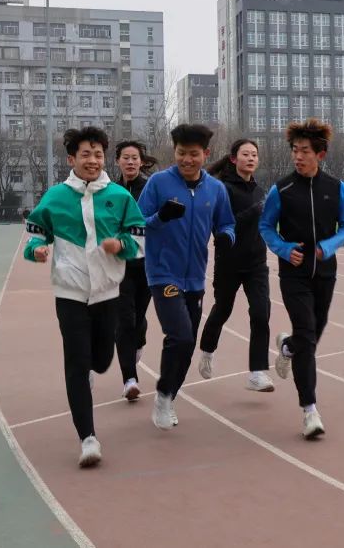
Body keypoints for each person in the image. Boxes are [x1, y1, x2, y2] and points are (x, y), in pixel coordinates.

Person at [23, 127, 145, 468]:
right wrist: (37, 250)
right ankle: (88, 438)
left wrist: (121, 245)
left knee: (102, 360)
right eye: (86, 155)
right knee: (76, 364)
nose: (93, 160)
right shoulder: (55, 197)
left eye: (98, 155)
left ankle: (95, 366)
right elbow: (34, 236)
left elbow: (139, 238)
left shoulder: (120, 196)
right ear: (71, 159)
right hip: (70, 292)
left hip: (108, 292)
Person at [259, 118, 344, 439]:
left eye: (305, 151)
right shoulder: (281, 189)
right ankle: (309, 410)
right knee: (307, 336)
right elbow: (266, 227)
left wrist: (328, 246)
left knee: (312, 334)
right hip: (294, 275)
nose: (298, 156)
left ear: (320, 155)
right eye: (295, 150)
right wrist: (285, 249)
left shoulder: (337, 188)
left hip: (325, 273)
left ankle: (288, 347)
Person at [138, 124, 235, 430]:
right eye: (181, 153)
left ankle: (169, 395)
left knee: (188, 342)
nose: (187, 160)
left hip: (195, 277)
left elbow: (226, 223)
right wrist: (160, 217)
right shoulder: (158, 183)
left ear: (206, 154)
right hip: (162, 273)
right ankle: (163, 396)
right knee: (179, 336)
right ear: (175, 152)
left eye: (193, 154)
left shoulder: (215, 189)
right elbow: (136, 224)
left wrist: (226, 236)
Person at [197, 139, 273, 392]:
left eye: (254, 154)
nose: (251, 158)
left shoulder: (260, 191)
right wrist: (254, 211)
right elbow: (221, 227)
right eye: (245, 154)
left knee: (261, 313)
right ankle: (207, 350)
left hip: (257, 263)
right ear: (233, 159)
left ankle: (257, 373)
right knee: (223, 309)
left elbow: (264, 223)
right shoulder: (222, 190)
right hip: (229, 261)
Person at [114, 140, 157, 402]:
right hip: (119, 265)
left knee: (138, 319)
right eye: (125, 158)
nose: (130, 162)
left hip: (147, 264)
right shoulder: (110, 190)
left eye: (134, 158)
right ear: (117, 161)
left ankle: (139, 339)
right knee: (124, 322)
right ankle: (129, 379)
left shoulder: (151, 188)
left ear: (141, 162)